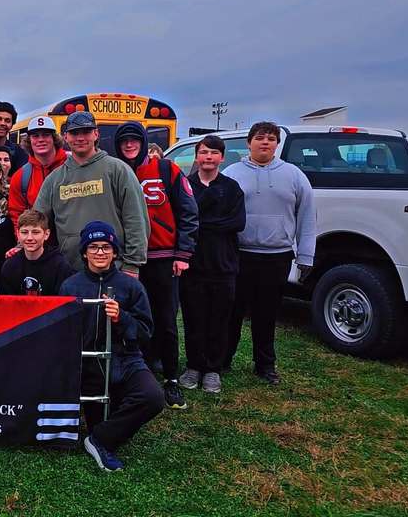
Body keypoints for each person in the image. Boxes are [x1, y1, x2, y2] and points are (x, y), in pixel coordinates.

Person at [59, 221, 163, 472]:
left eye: (106, 247)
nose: (100, 252)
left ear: (115, 252)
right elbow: (62, 333)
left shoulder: (131, 286)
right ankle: (102, 433)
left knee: (153, 397)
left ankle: (98, 440)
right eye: (93, 247)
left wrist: (122, 318)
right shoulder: (70, 287)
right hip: (89, 364)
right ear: (84, 252)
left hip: (126, 359)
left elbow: (146, 333)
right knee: (99, 419)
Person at [113, 121, 199, 410]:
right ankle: (143, 371)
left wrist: (183, 254)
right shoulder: (116, 172)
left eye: (134, 140)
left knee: (165, 319)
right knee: (133, 318)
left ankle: (172, 379)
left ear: (143, 141)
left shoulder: (166, 169)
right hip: (128, 261)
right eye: (123, 141)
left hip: (163, 258)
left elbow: (188, 212)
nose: (128, 145)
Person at [223, 122, 316, 385]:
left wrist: (306, 255)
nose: (266, 142)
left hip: (277, 255)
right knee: (233, 311)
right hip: (240, 253)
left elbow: (307, 216)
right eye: (260, 138)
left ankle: (265, 364)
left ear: (277, 144)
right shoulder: (232, 173)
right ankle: (224, 359)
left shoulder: (294, 175)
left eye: (271, 139)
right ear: (249, 143)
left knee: (267, 313)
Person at [33, 111, 149, 275]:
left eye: (86, 132)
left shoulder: (118, 170)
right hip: (68, 271)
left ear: (96, 134)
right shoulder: (54, 179)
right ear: (65, 137)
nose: (80, 138)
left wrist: (132, 264)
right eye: (74, 133)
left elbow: (136, 219)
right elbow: (37, 221)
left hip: (114, 270)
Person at [179, 135, 246, 394]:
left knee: (220, 319)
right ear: (197, 156)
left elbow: (237, 222)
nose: (208, 157)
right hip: (193, 264)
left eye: (214, 153)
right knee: (194, 318)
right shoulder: (185, 185)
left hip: (223, 265)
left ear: (221, 157)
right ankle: (194, 366)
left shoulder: (231, 188)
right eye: (204, 152)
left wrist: (200, 223)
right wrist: (207, 223)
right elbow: (182, 220)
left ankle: (213, 370)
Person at [8, 116, 68, 231]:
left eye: (46, 135)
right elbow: (17, 215)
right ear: (29, 140)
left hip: (71, 240)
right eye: (35, 136)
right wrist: (24, 242)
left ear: (54, 138)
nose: (40, 140)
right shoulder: (20, 177)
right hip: (39, 243)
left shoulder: (72, 165)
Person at [0, 210, 75, 296]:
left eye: (35, 232)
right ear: (18, 234)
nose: (29, 238)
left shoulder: (60, 266)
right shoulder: (10, 266)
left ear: (46, 234)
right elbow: (6, 303)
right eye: (24, 232)